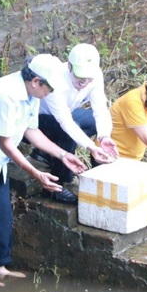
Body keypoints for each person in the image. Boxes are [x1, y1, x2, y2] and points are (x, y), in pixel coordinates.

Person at [0, 54, 87, 288]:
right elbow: (7, 144)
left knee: (2, 213)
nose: (51, 93)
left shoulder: (32, 95)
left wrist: (63, 154)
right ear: (36, 81)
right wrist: (36, 173)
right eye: (49, 88)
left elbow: (32, 132)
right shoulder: (5, 95)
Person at [31, 43, 119, 204]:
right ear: (69, 67)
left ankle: (98, 173)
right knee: (69, 131)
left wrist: (104, 136)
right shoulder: (54, 79)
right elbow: (65, 121)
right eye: (80, 77)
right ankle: (57, 184)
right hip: (39, 119)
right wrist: (90, 147)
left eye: (88, 77)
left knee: (92, 122)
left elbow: (100, 108)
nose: (85, 82)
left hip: (66, 114)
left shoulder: (95, 76)